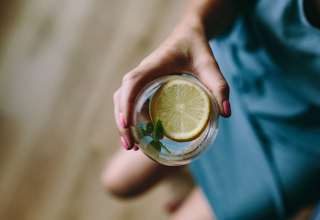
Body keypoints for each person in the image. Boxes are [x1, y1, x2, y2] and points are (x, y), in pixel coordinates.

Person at [103, 0, 320, 219]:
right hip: (228, 73)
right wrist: (192, 27)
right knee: (117, 181)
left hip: (298, 138)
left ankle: (193, 182)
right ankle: (187, 174)